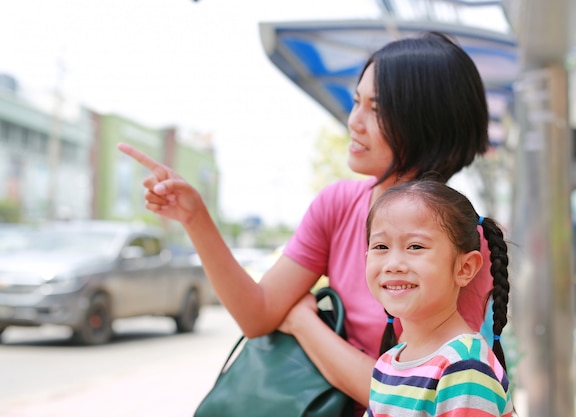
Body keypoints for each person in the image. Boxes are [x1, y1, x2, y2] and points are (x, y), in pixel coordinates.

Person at [117, 31, 492, 415]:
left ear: (427, 120)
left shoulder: (465, 244)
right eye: (356, 102)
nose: (354, 122)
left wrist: (302, 322)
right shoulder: (339, 204)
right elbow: (258, 315)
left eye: (376, 109)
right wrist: (194, 218)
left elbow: (415, 391)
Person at [364, 179, 512, 417]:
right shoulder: (388, 362)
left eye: (415, 246)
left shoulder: (464, 368)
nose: (393, 265)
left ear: (464, 268)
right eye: (381, 246)